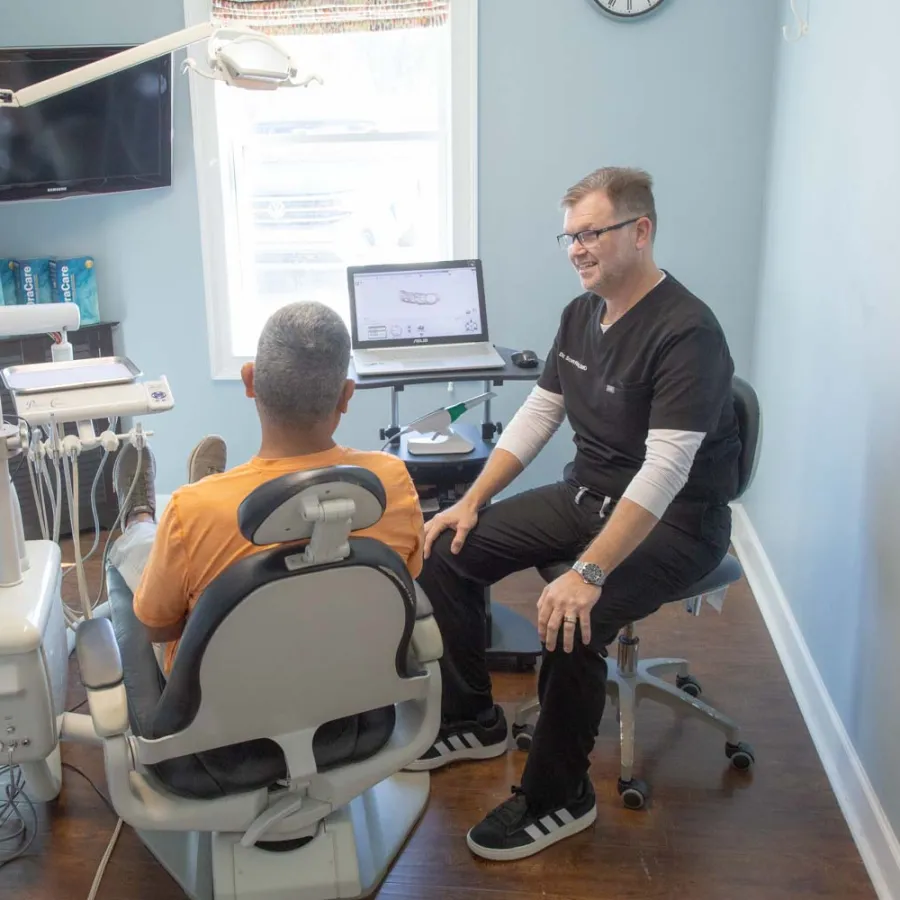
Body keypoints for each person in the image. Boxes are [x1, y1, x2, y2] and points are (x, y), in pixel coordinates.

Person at [413, 167, 741, 861]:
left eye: (590, 233)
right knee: (446, 550)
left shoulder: (688, 333)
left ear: (640, 231)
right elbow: (539, 415)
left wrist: (589, 570)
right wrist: (471, 501)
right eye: (569, 237)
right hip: (585, 496)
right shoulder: (580, 313)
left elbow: (665, 471)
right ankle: (474, 718)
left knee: (572, 614)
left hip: (677, 523)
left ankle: (560, 796)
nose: (576, 250)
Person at [108, 301, 425, 675]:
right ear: (346, 395)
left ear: (249, 381)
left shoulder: (189, 508)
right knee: (186, 532)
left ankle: (138, 517)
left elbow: (158, 627)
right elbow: (402, 581)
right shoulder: (391, 482)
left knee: (147, 542)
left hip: (218, 705)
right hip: (350, 684)